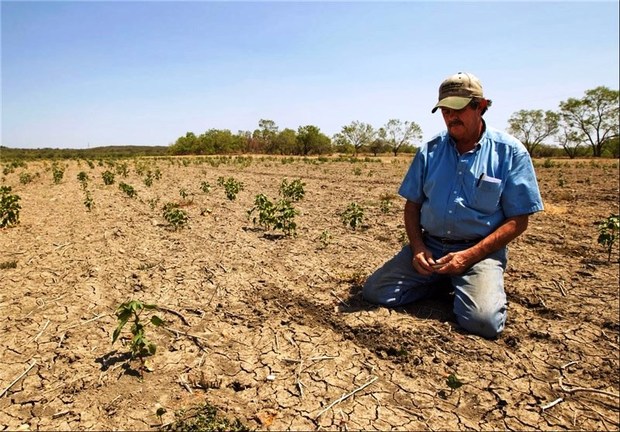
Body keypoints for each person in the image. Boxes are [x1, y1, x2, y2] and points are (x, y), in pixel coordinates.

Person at [362, 72, 544, 339]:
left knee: (483, 323)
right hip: (432, 247)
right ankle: (441, 281)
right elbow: (412, 206)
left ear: (480, 106)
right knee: (375, 292)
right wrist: (418, 247)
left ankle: (466, 283)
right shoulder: (430, 151)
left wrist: (467, 257)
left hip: (478, 252)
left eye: (458, 109)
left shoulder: (510, 152)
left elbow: (519, 220)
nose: (451, 116)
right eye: (445, 110)